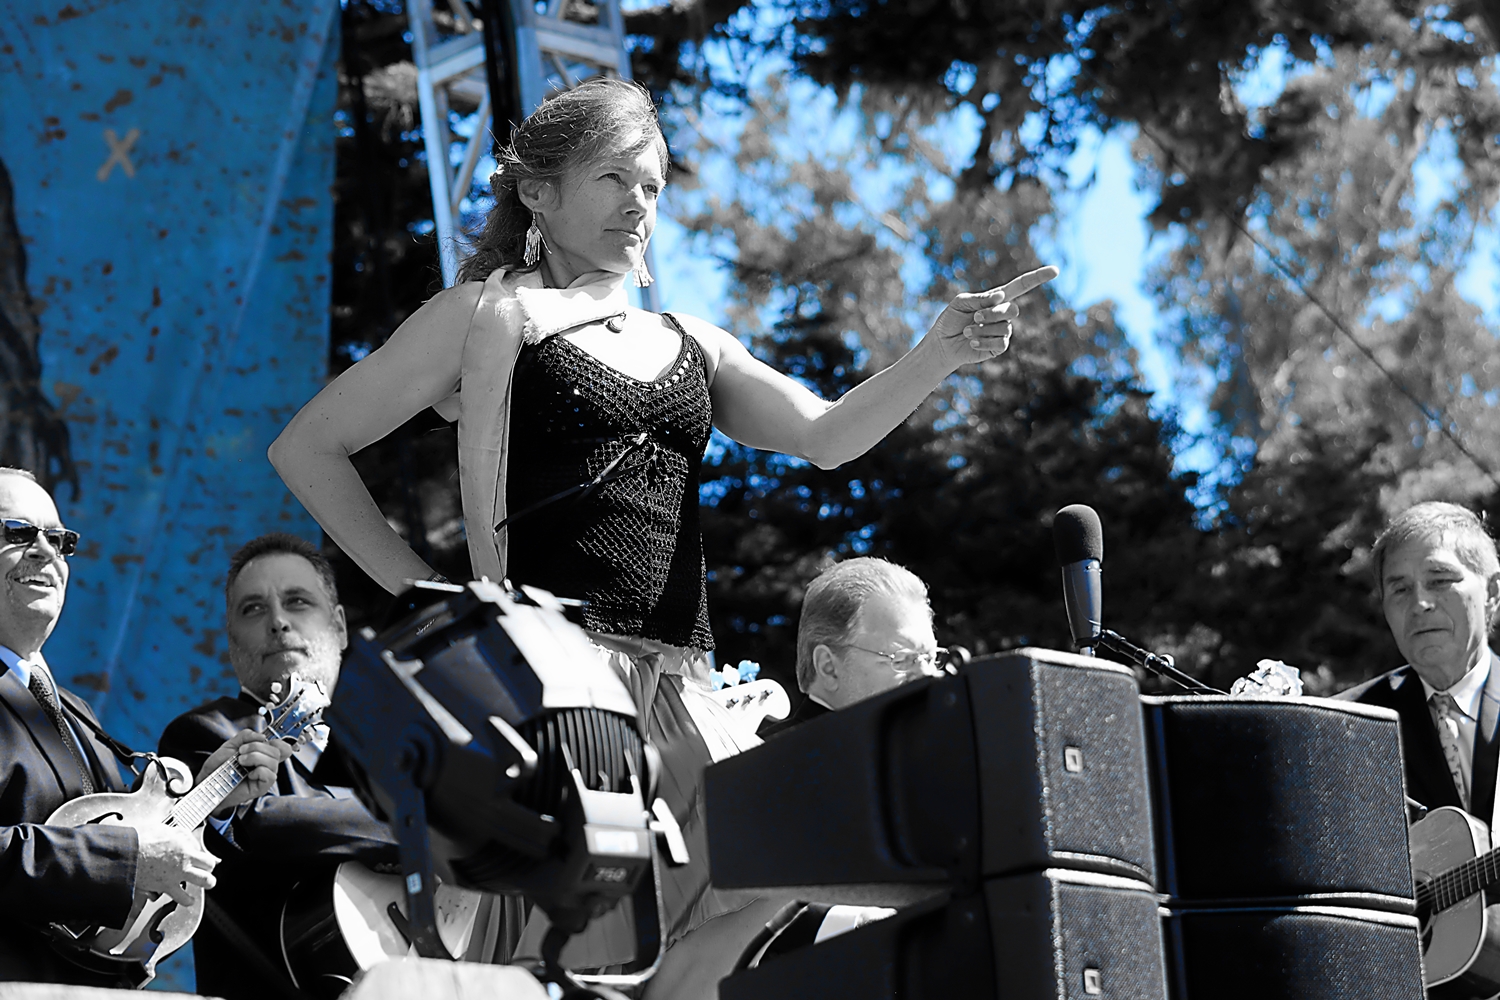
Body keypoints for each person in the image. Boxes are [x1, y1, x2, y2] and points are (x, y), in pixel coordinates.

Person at [268, 76, 1055, 995]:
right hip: (558, 696)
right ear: (538, 192)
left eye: (652, 185)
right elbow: (308, 447)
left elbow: (826, 436)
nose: (638, 204)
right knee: (566, 961)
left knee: (751, 928)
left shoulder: (694, 341)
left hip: (685, 695)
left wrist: (938, 354)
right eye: (613, 178)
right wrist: (432, 603)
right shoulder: (487, 317)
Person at [0, 468, 285, 986]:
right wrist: (125, 859)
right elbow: (121, 851)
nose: (46, 552)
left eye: (60, 540)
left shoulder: (73, 709)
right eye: (18, 533)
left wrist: (208, 797)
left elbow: (124, 836)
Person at [158, 533, 404, 999]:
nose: (278, 622)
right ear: (232, 643)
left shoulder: (390, 744)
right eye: (253, 609)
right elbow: (258, 822)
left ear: (339, 627)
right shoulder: (203, 732)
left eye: (297, 602)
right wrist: (424, 824)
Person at [1341, 501, 1500, 825]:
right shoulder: (1346, 727)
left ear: (1492, 592)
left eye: (1439, 580)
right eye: (1400, 589)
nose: (1420, 604)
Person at [765, 557, 942, 737]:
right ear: (829, 667)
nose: (928, 674)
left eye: (931, 659)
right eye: (902, 659)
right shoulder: (769, 752)